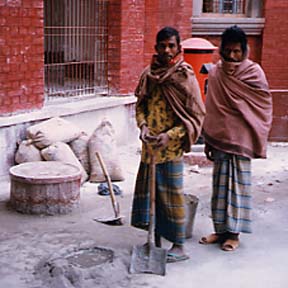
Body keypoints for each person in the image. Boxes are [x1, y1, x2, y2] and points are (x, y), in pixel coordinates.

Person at [131, 26, 206, 262]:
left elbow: (195, 116)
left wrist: (169, 136)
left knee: (171, 197)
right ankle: (155, 238)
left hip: (170, 148)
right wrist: (143, 126)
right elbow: (140, 106)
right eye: (162, 45)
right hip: (150, 146)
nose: (166, 50)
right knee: (150, 194)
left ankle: (179, 245)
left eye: (171, 45)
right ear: (156, 47)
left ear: (178, 48)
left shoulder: (184, 76)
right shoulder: (149, 74)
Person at [200, 25, 273, 251]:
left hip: (241, 140)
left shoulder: (254, 72)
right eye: (228, 51)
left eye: (237, 51)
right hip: (221, 140)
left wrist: (254, 135)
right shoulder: (215, 73)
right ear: (221, 50)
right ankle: (220, 230)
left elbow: (262, 105)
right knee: (219, 188)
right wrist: (209, 140)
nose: (232, 56)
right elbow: (211, 108)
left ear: (245, 51)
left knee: (237, 188)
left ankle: (234, 234)